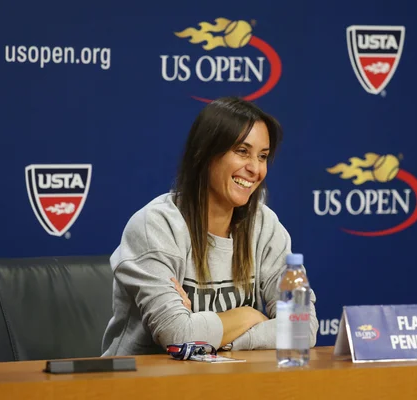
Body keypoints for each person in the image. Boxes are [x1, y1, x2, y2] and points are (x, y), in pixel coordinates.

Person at [101, 97, 318, 356]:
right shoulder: (157, 226)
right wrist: (248, 315)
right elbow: (177, 336)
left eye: (262, 156)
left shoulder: (264, 225)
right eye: (242, 151)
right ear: (204, 153)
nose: (255, 169)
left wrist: (219, 339)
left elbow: (302, 327)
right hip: (138, 385)